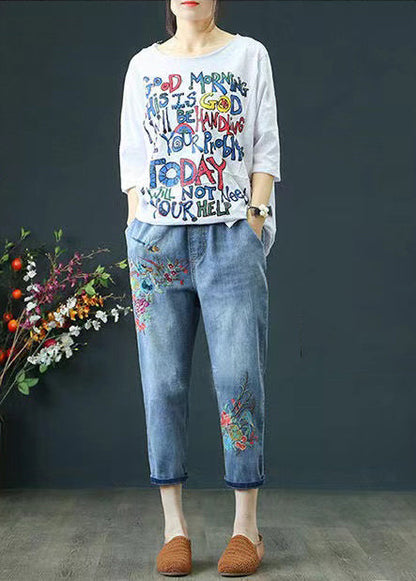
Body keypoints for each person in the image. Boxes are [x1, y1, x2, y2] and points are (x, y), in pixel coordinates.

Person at [118, 0, 281, 575]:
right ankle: (174, 528)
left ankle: (246, 529)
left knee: (238, 378)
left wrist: (254, 219)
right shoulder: (144, 66)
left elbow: (264, 147)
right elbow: (133, 159)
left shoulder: (248, 56)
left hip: (229, 237)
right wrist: (138, 223)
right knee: (162, 383)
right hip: (157, 242)